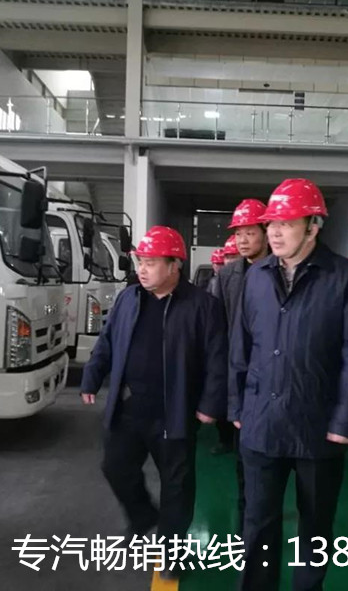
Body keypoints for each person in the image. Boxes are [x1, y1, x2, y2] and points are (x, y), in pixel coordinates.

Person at [230, 179, 348, 591]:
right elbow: (240, 346)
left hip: (318, 426)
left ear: (313, 227)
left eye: (286, 223)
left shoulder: (344, 278)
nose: (274, 232)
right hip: (261, 423)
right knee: (257, 524)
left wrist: (345, 422)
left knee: (315, 527)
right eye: (271, 223)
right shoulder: (256, 277)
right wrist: (237, 408)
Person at [80, 225, 228, 581]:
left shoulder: (203, 306)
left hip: (173, 412)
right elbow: (107, 342)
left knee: (177, 485)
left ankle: (173, 551)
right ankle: (143, 515)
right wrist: (91, 377)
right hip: (129, 407)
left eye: (150, 262)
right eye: (140, 262)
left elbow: (217, 359)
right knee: (115, 467)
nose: (142, 269)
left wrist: (210, 404)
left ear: (174, 265)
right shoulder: (128, 299)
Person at [211, 199, 269, 531]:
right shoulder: (228, 275)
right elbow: (218, 327)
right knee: (243, 449)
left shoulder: (280, 269)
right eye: (238, 234)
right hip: (240, 374)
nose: (243, 240)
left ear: (266, 231)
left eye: (250, 232)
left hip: (273, 372)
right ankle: (247, 513)